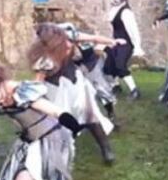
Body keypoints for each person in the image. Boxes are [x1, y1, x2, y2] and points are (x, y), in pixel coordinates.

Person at [30, 24, 116, 165]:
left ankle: (106, 149)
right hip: (55, 89)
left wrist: (112, 41)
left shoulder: (68, 36)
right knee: (62, 120)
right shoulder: (43, 58)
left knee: (89, 114)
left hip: (75, 82)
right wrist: (33, 96)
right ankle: (62, 152)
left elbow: (93, 38)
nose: (67, 45)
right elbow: (38, 80)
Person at [105, 0, 145, 100]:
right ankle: (116, 86)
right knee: (110, 64)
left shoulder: (126, 12)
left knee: (120, 65)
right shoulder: (114, 10)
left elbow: (133, 30)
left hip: (126, 43)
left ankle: (135, 91)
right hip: (116, 42)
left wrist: (137, 46)